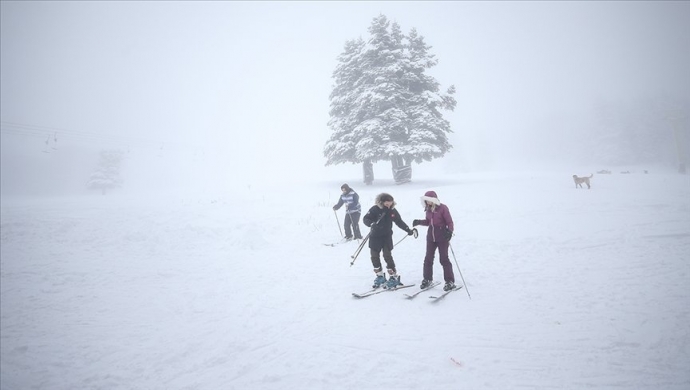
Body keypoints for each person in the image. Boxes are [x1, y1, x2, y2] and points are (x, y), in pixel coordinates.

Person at [362, 193, 415, 289]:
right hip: (375, 237)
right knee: (374, 256)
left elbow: (399, 221)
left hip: (386, 237)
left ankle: (393, 276)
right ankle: (380, 275)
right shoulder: (375, 209)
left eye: (390, 204)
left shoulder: (392, 211)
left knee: (387, 255)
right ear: (382, 202)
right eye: (387, 204)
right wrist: (371, 224)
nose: (389, 206)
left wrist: (408, 230)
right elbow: (365, 219)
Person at [412, 190, 456, 291]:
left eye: (429, 200)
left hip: (442, 236)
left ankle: (449, 281)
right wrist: (419, 222)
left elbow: (449, 222)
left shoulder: (443, 208)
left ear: (434, 200)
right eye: (426, 200)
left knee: (444, 259)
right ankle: (427, 279)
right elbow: (428, 222)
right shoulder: (428, 209)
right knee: (428, 258)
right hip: (431, 236)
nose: (428, 202)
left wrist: (449, 232)